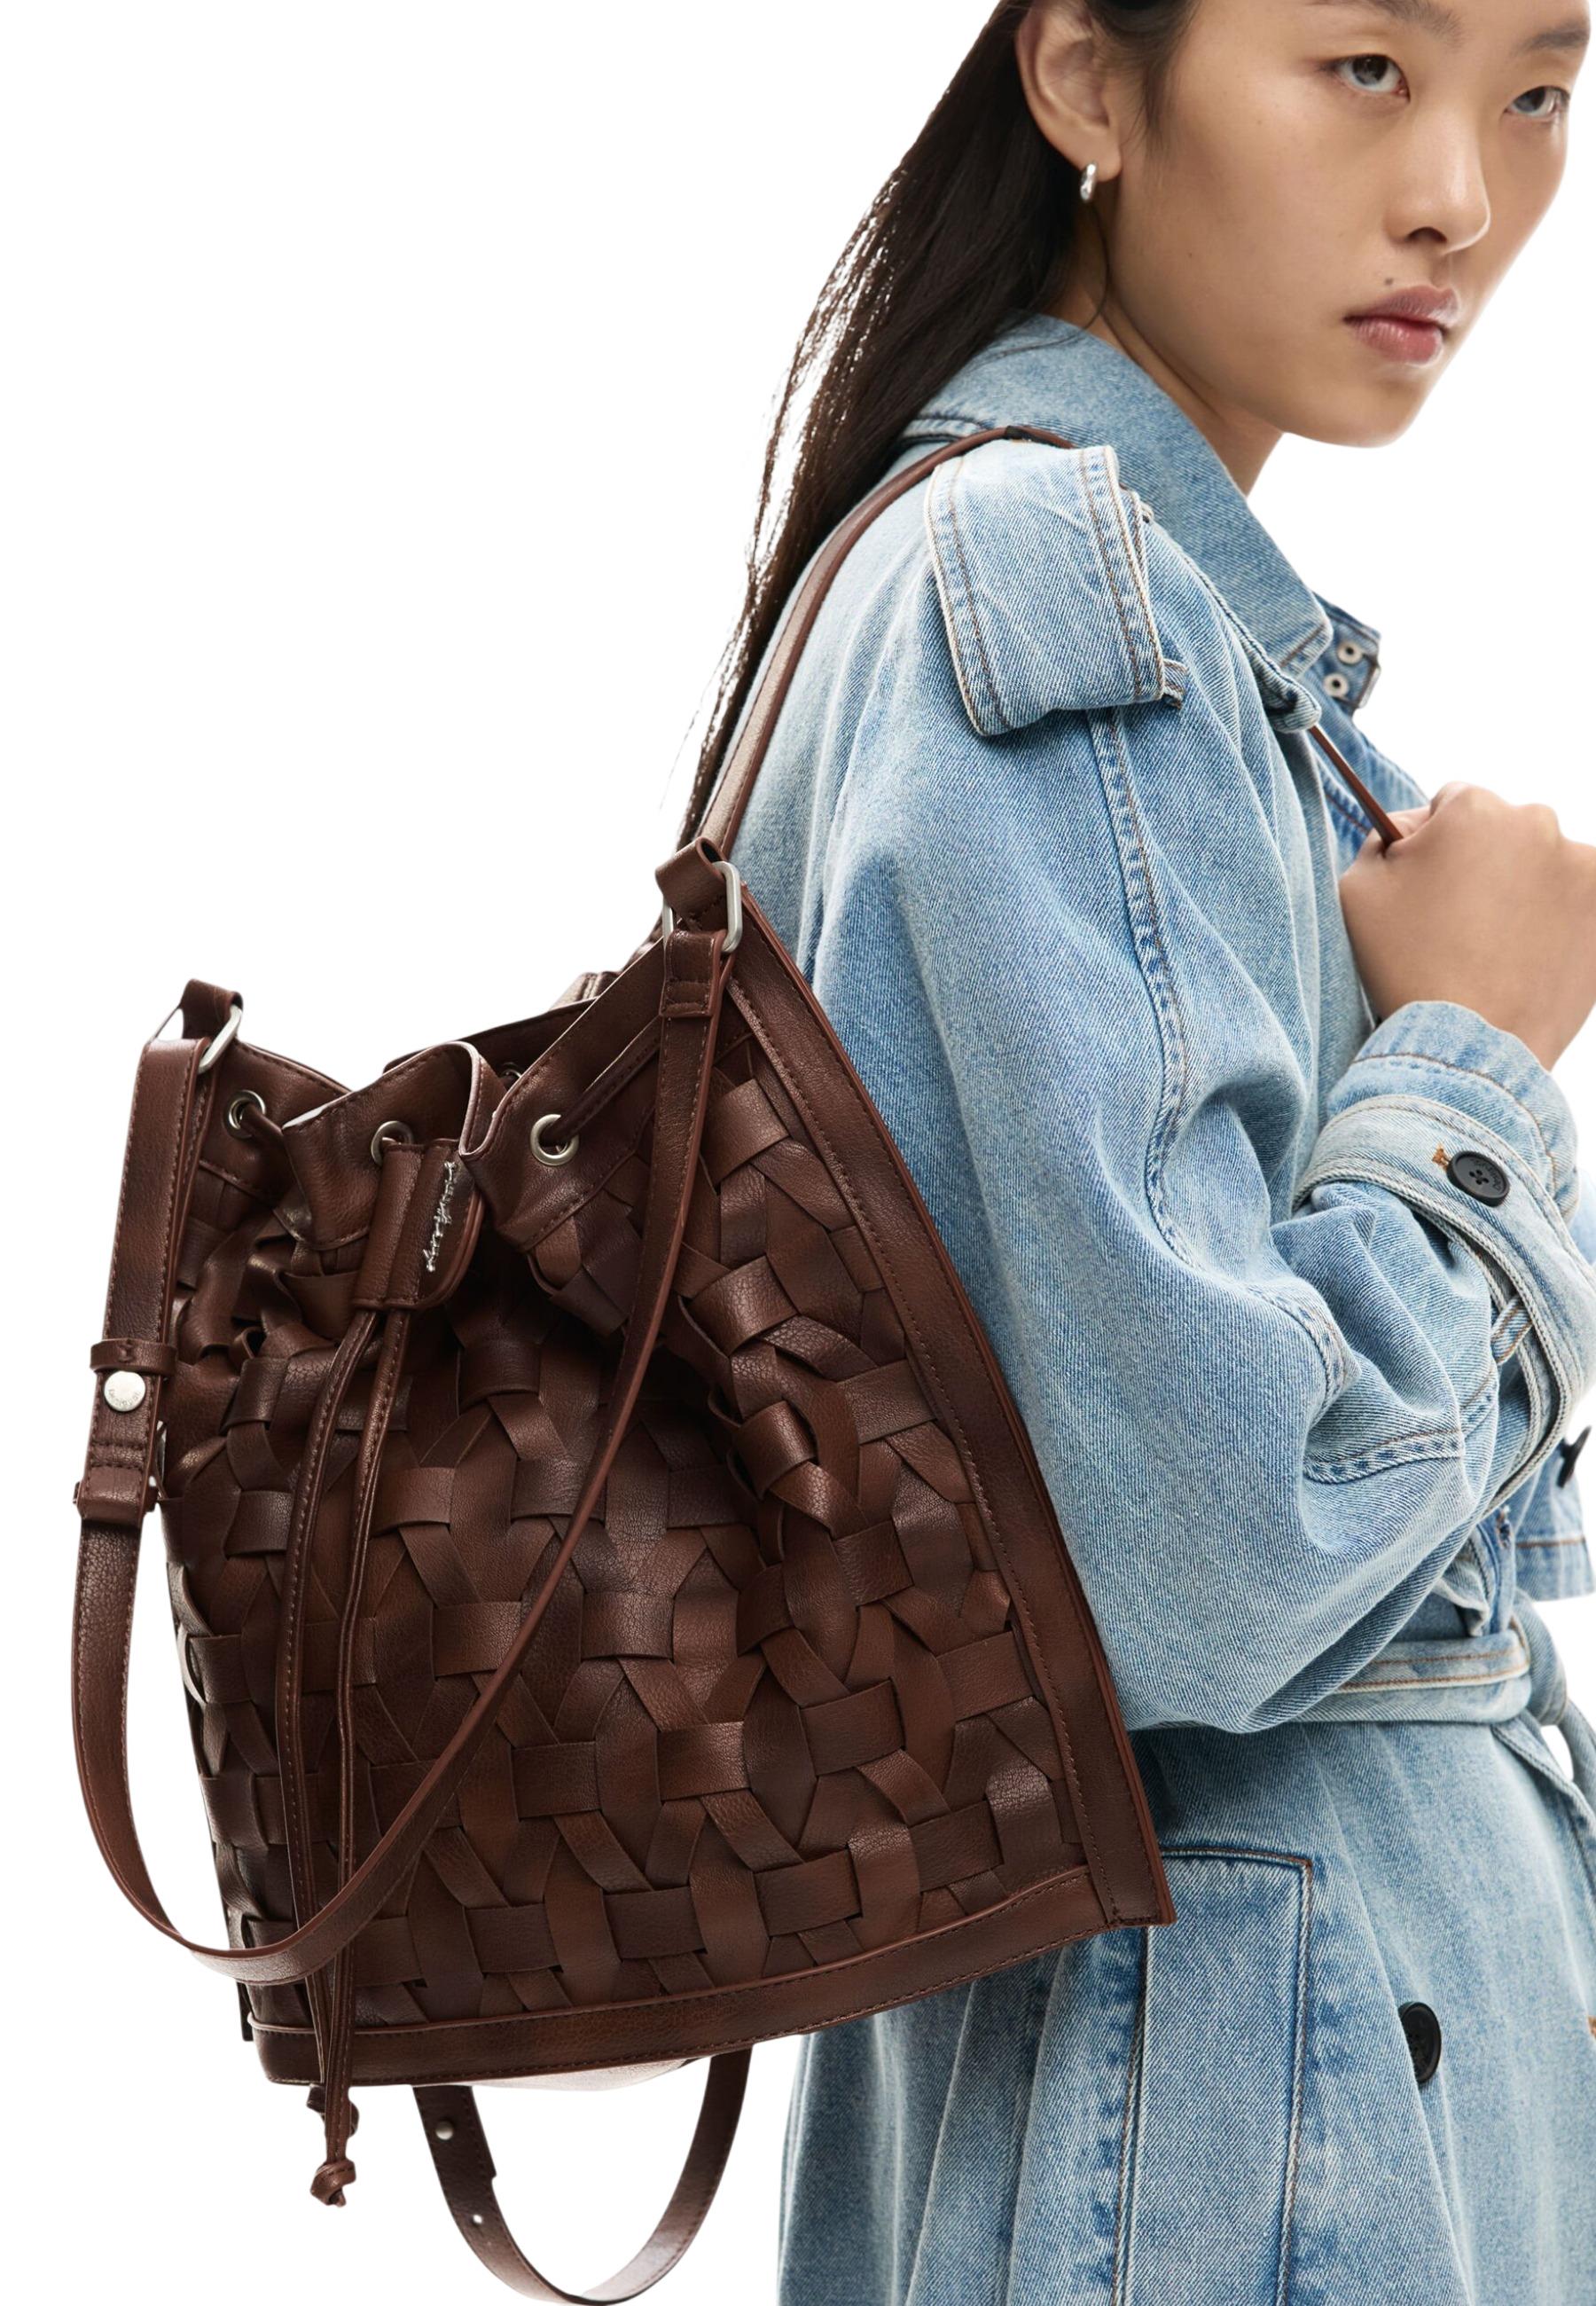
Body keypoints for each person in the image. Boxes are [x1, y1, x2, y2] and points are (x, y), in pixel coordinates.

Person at [671, 2, 1596, 2299]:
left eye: (1541, 90)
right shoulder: (1046, 592)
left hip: (1240, 2074)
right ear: (1089, 77)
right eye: (1366, 66)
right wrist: (1474, 1053)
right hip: (1235, 2099)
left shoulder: (1115, 605)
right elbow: (1217, 1539)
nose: (1461, 198)